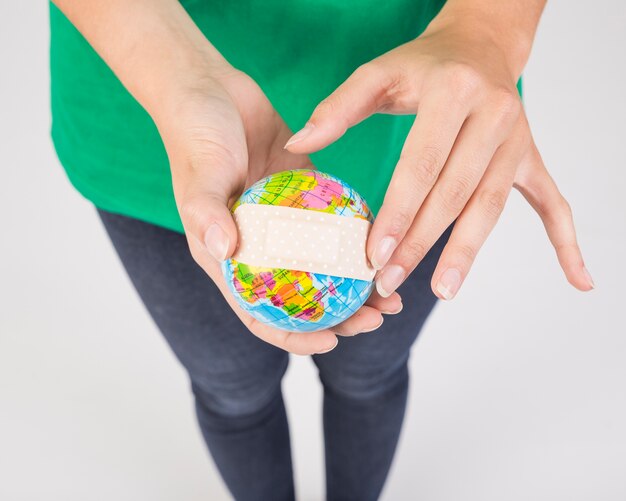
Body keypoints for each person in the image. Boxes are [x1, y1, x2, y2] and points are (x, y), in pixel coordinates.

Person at [49, 0, 593, 499]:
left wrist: (490, 30)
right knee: (232, 388)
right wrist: (180, 76)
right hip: (152, 97)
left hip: (423, 121)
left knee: (371, 372)